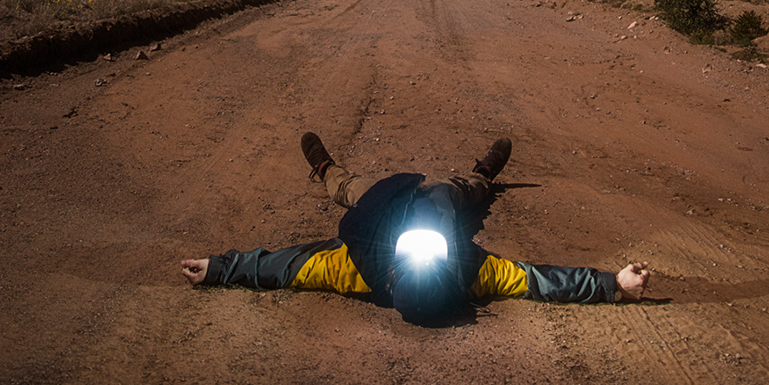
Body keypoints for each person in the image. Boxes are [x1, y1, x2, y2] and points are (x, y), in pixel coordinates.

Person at [181, 132, 650, 324]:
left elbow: (288, 265)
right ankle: (485, 173)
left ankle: (324, 167)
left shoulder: (356, 269)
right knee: (461, 189)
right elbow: (535, 279)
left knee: (348, 187)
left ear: (392, 279)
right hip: (434, 205)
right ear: (446, 276)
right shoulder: (467, 272)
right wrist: (613, 283)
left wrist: (221, 268)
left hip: (381, 203)